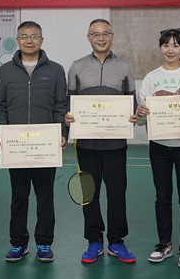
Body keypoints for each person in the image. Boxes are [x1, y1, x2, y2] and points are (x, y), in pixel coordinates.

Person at [0, 21, 68, 264]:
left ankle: (44, 243)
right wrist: (1, 131)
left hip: (45, 145)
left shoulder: (55, 70)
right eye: (24, 36)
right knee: (19, 196)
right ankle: (18, 243)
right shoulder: (5, 71)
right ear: (17, 40)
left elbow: (61, 105)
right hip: (16, 146)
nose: (29, 40)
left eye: (34, 36)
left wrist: (62, 132)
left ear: (42, 40)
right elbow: (0, 105)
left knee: (45, 197)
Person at [64, 19, 138, 264]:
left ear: (112, 36)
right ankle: (94, 241)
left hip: (116, 144)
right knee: (89, 194)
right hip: (86, 145)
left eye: (105, 33)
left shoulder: (125, 66)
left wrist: (132, 115)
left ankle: (116, 241)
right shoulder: (77, 67)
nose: (101, 38)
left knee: (117, 194)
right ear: (89, 38)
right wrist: (68, 116)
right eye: (96, 34)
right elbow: (69, 103)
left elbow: (132, 102)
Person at [137, 28, 180, 269]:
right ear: (160, 48)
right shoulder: (151, 78)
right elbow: (142, 118)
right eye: (166, 45)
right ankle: (164, 244)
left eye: (175, 45)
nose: (170, 49)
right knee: (162, 197)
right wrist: (141, 113)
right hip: (159, 147)